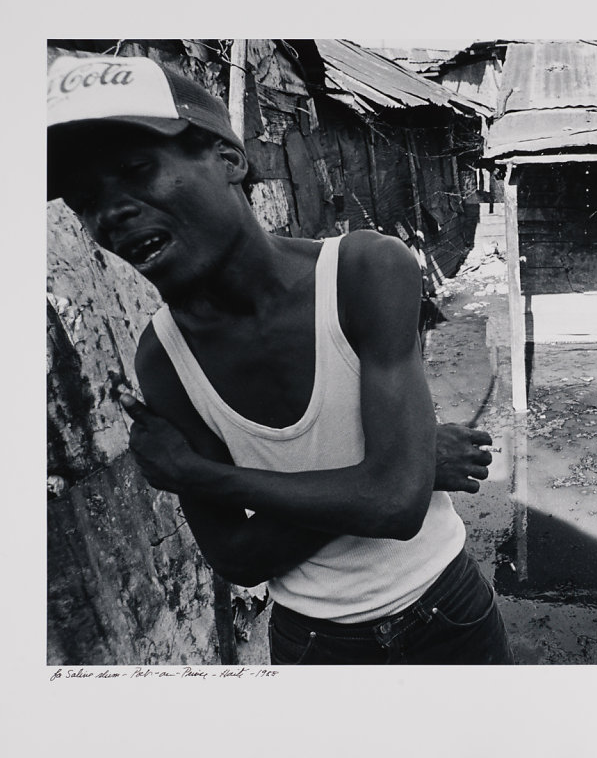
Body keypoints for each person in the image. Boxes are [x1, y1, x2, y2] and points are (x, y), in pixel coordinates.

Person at [47, 53, 514, 665]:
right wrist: (408, 463)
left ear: (229, 158)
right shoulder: (164, 362)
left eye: (137, 170)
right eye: (86, 201)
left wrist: (202, 476)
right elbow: (239, 559)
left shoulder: (366, 272)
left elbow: (397, 508)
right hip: (316, 644)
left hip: (447, 610)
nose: (110, 213)